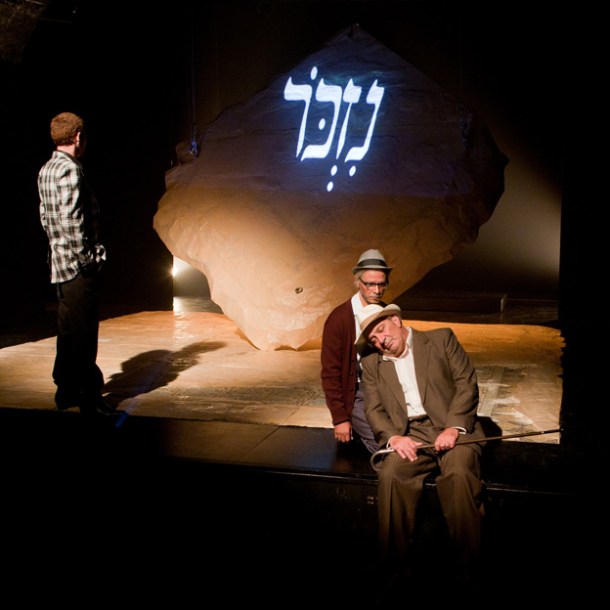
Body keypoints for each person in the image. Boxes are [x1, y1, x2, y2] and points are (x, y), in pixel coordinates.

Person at [356, 303, 485, 585]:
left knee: (458, 474)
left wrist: (453, 427)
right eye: (374, 339)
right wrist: (394, 437)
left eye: (381, 330)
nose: (380, 341)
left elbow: (466, 383)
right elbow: (373, 409)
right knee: (391, 475)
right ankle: (395, 566)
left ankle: (468, 566)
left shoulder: (441, 339)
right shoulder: (372, 362)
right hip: (410, 432)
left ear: (395, 319)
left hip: (453, 426)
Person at [38, 111, 116, 417]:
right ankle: (88, 396)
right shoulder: (71, 169)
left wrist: (58, 249)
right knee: (83, 331)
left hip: (58, 261)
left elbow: (46, 217)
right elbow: (72, 220)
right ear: (78, 137)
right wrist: (87, 259)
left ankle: (66, 390)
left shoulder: (46, 169)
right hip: (76, 265)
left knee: (68, 329)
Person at [320, 249, 393, 453]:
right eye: (370, 284)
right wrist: (340, 418)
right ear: (357, 282)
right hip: (358, 394)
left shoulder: (388, 313)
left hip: (386, 391)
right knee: (385, 442)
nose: (376, 290)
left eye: (381, 284)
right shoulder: (339, 319)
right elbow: (330, 373)